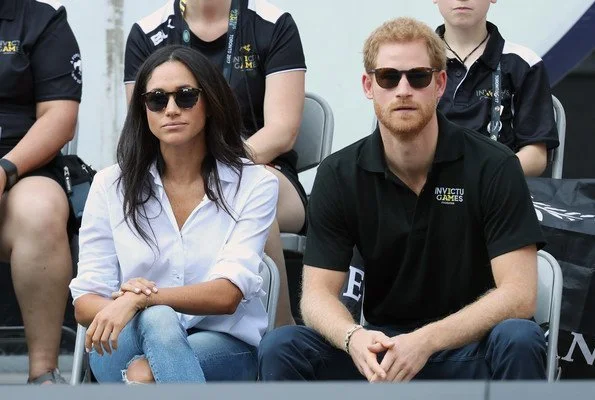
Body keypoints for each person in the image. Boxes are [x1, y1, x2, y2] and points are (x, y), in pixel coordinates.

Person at [258, 17, 547, 382]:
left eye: (419, 77)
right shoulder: (339, 173)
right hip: (382, 354)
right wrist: (354, 338)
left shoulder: (495, 165)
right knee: (283, 347)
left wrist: (426, 341)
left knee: (520, 336)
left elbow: (520, 295)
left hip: (469, 349)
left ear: (439, 84)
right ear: (369, 85)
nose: (404, 89)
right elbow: (316, 297)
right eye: (389, 77)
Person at [69, 45, 278, 383]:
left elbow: (226, 295)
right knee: (157, 323)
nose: (170, 109)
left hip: (222, 344)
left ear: (208, 102)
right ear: (144, 110)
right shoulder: (110, 185)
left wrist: (140, 299)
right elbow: (84, 303)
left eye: (185, 96)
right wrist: (137, 309)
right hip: (122, 340)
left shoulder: (254, 184)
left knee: (149, 358)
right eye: (156, 99)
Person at [124, 0, 306, 327]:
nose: (172, 107)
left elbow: (282, 130)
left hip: (261, 166)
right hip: (176, 171)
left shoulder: (272, 23)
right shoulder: (147, 31)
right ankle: (168, 330)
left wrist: (218, 166)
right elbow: (146, 124)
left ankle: (280, 335)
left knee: (250, 194)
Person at [0, 0, 82, 384]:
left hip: (21, 167)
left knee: (41, 211)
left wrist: (5, 169)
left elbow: (59, 118)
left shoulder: (41, 21)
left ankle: (43, 374)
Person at [434, 0, 559, 176]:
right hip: (425, 189)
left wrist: (483, 179)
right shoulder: (413, 60)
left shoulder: (524, 62)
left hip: (495, 190)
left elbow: (536, 157)